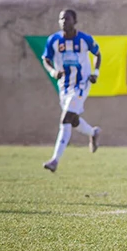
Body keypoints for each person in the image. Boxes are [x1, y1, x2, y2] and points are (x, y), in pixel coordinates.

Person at [41, 9, 103, 173]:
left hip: (81, 84)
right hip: (64, 86)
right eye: (61, 19)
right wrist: (52, 71)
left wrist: (95, 73)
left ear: (74, 21)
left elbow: (98, 54)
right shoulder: (53, 40)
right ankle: (93, 132)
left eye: (67, 19)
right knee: (73, 120)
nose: (63, 22)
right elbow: (46, 58)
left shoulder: (84, 39)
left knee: (65, 119)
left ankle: (55, 160)